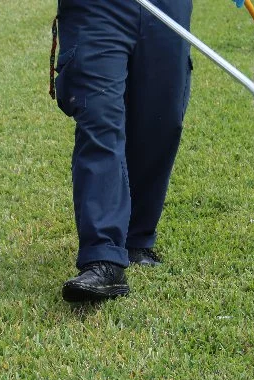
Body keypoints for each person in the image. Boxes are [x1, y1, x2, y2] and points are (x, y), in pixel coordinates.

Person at [50, 0, 193, 302]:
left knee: (161, 120)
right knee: (99, 120)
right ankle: (102, 257)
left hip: (166, 8)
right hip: (96, 9)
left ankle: (134, 238)